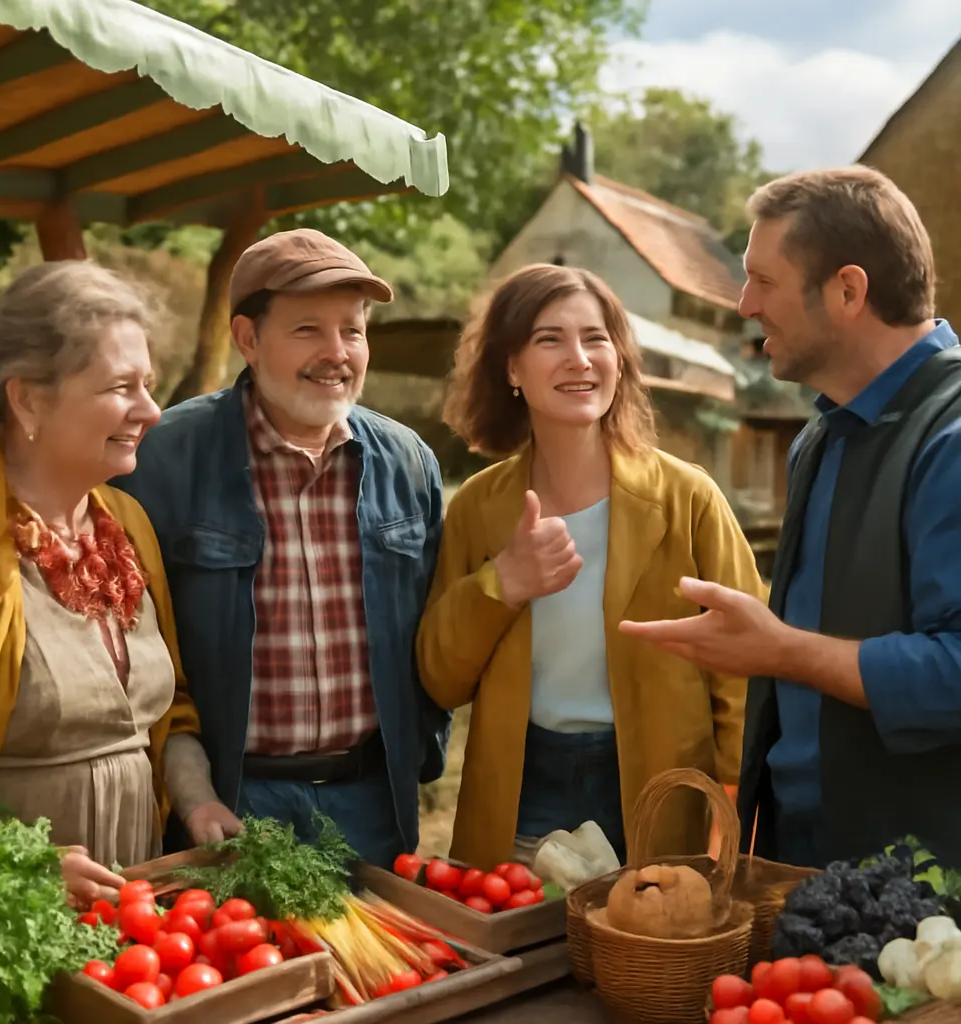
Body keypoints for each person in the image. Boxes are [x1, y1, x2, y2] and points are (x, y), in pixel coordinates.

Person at [619, 166, 961, 869]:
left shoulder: (950, 438)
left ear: (847, 290)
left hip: (919, 890)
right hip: (799, 856)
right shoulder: (820, 435)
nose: (744, 305)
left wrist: (778, 650)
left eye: (763, 281)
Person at [113, 228, 448, 869]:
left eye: (352, 330)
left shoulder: (409, 462)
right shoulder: (161, 459)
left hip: (372, 802)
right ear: (247, 338)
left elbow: (434, 630)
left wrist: (420, 752)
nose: (337, 353)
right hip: (228, 802)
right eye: (307, 330)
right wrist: (189, 792)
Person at [414, 263, 763, 872]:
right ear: (512, 368)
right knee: (527, 961)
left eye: (596, 338)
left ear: (620, 360)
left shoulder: (690, 499)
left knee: (650, 959)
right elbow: (441, 679)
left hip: (662, 785)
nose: (579, 358)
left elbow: (746, 676)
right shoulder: (477, 507)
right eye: (550, 339)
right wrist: (504, 584)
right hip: (524, 786)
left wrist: (735, 816)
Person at [0, 261, 240, 907]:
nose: (152, 411)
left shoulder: (126, 522)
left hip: (138, 913)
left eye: (150, 385)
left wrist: (198, 800)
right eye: (121, 386)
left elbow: (169, 709)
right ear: (28, 398)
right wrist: (20, 866)